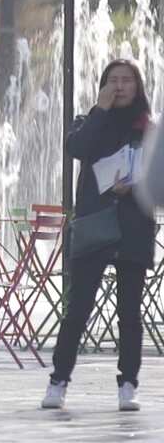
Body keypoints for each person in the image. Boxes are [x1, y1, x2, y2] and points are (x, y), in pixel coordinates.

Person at [43, 59, 154, 413]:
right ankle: (58, 381)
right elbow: (77, 148)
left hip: (134, 225)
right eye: (113, 80)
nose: (120, 86)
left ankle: (128, 384)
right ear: (104, 85)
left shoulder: (149, 129)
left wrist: (135, 186)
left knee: (129, 313)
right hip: (95, 223)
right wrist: (101, 109)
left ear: (138, 87)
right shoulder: (88, 120)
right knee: (77, 309)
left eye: (127, 81)